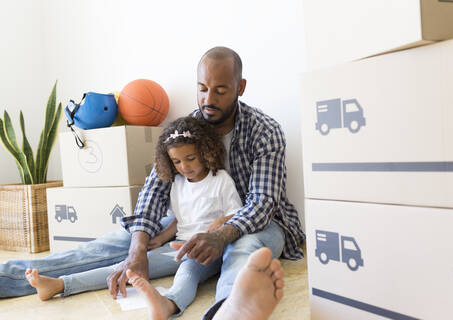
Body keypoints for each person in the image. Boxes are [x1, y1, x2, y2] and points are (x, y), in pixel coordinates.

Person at [0, 46, 305, 319]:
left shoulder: (265, 131)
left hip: (257, 223)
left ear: (240, 87)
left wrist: (220, 235)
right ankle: (7, 278)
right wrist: (138, 248)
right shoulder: (186, 129)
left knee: (245, 247)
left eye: (220, 90)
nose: (208, 99)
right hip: (190, 220)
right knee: (118, 242)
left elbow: (262, 204)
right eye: (202, 89)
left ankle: (228, 311)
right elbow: (154, 190)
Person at [23, 117, 242, 315]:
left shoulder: (220, 180)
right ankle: (60, 285)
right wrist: (161, 238)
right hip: (177, 245)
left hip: (206, 251)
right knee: (126, 267)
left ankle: (170, 303)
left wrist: (217, 225)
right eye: (176, 162)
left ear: (206, 151)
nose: (184, 167)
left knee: (187, 273)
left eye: (191, 158)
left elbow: (235, 214)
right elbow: (182, 219)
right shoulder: (177, 183)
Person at [128, 247, 284, 320]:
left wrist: (218, 230)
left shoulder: (221, 184)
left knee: (238, 253)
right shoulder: (179, 187)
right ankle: (168, 303)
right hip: (204, 241)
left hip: (241, 230)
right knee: (188, 267)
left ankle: (228, 307)